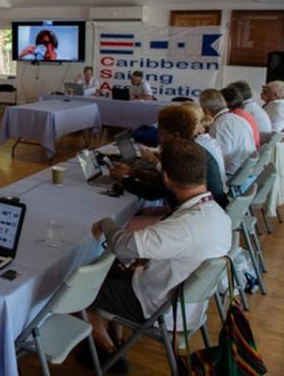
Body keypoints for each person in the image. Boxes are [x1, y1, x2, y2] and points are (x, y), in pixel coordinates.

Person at [85, 139, 231, 370]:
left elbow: (123, 245)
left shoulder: (184, 227)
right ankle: (117, 337)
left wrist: (106, 223)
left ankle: (109, 354)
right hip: (187, 304)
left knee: (80, 290)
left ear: (166, 178)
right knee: (114, 267)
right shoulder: (218, 214)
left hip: (158, 307)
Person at [110, 105, 226, 208]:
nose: (159, 139)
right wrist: (134, 172)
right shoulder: (193, 148)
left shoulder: (179, 155)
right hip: (210, 208)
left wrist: (123, 179)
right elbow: (162, 182)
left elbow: (152, 193)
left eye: (162, 134)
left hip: (198, 216)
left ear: (176, 135)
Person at [199, 89, 254, 177]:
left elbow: (220, 161)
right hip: (245, 172)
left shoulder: (219, 125)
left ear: (206, 111)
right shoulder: (239, 119)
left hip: (233, 175)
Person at [181, 101, 227, 189]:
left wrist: (155, 162)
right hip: (218, 191)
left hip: (211, 196)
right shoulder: (206, 139)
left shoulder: (197, 144)